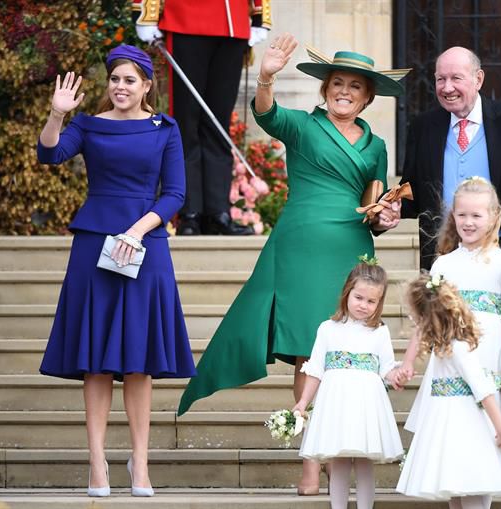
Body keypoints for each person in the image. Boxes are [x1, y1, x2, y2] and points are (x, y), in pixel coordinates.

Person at [177, 34, 407, 494]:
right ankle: (309, 460)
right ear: (325, 90)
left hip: (351, 249)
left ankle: (339, 450)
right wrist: (266, 75)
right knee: (310, 348)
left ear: (367, 96)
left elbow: (374, 202)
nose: (344, 91)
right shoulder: (303, 126)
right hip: (301, 245)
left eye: (355, 87)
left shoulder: (377, 144)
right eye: (337, 83)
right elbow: (266, 114)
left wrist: (386, 215)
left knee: (350, 350)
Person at [36, 45, 196, 497]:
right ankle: (97, 462)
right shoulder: (87, 124)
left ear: (147, 85)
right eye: (115, 79)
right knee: (96, 362)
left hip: (144, 246)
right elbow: (49, 156)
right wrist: (56, 115)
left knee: (140, 362)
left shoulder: (165, 128)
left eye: (129, 80)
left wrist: (136, 231)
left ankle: (140, 463)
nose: (120, 86)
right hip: (94, 245)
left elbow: (175, 194)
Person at [133, 0, 271, 235]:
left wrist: (260, 15)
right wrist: (146, 12)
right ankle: (189, 213)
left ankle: (218, 212)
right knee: (187, 124)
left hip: (233, 25)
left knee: (219, 124)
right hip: (186, 19)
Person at [399, 177, 501, 431]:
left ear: (493, 216)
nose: (468, 222)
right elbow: (426, 319)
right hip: (450, 355)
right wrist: (408, 361)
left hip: (489, 352)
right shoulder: (443, 264)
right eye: (462, 214)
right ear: (453, 216)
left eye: (476, 215)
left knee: (485, 425)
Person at [398, 46, 501, 270]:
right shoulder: (423, 127)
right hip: (441, 256)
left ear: (478, 79)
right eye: (441, 79)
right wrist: (388, 209)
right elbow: (412, 195)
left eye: (455, 78)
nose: (447, 87)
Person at [396, 273, 501, 509]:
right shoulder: (444, 347)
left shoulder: (459, 347)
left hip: (465, 425)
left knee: (469, 485)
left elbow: (483, 390)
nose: (415, 322)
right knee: (455, 487)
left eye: (417, 317)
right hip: (446, 423)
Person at [293, 260, 403, 509]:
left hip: (366, 403)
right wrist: (302, 402)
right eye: (359, 297)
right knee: (340, 461)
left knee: (364, 462)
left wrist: (395, 375)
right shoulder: (328, 329)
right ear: (347, 293)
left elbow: (385, 367)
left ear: (379, 303)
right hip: (337, 402)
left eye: (371, 301)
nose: (363, 305)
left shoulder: (379, 332)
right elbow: (316, 370)